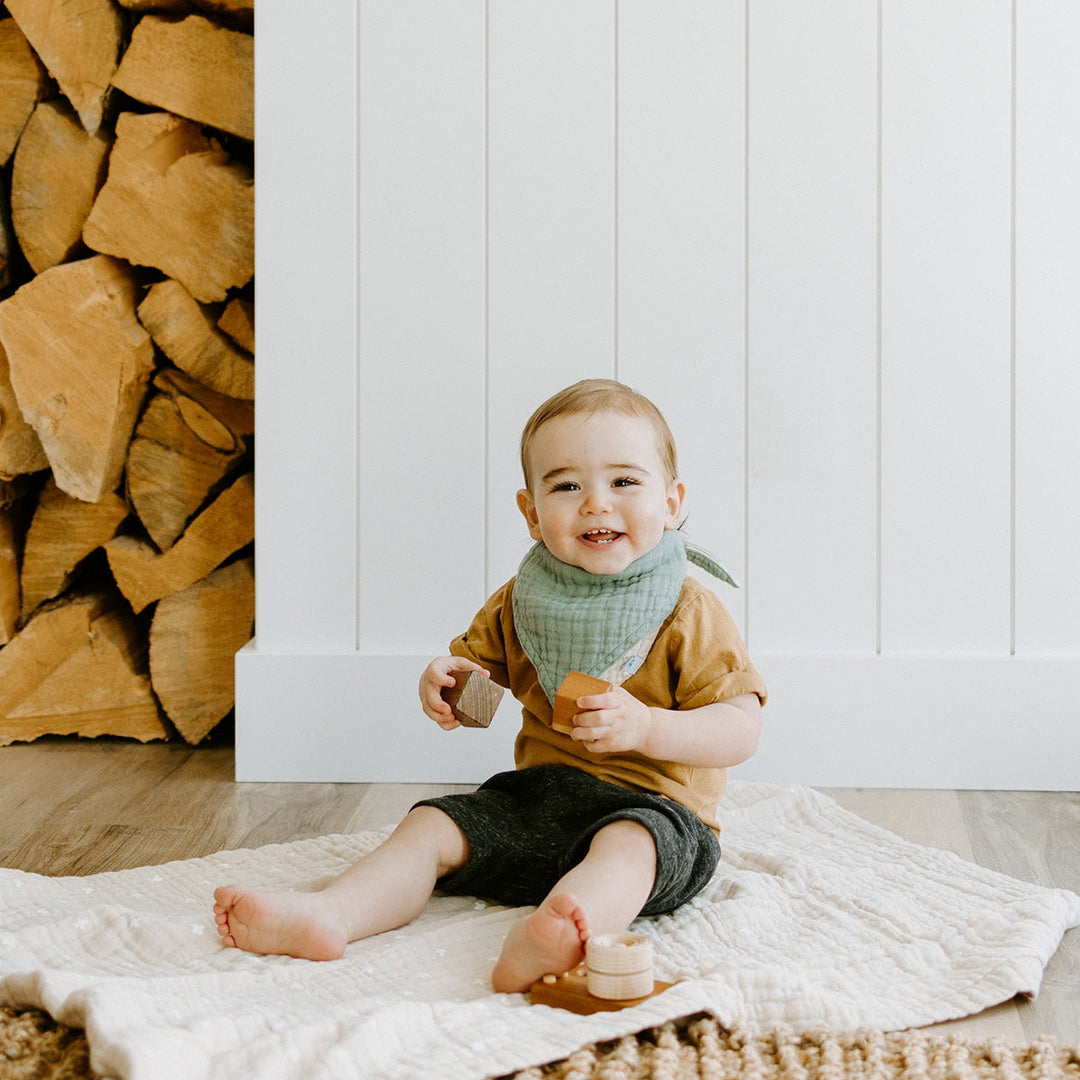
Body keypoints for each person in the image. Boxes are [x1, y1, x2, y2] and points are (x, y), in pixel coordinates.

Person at [213, 378, 766, 993]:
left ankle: (563, 932)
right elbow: (477, 689)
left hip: (657, 809)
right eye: (566, 486)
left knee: (629, 846)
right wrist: (449, 685)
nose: (596, 503)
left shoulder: (688, 610)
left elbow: (740, 729)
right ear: (531, 513)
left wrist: (648, 726)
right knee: (432, 824)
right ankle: (332, 914)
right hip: (539, 800)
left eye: (624, 481)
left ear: (671, 501)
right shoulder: (522, 602)